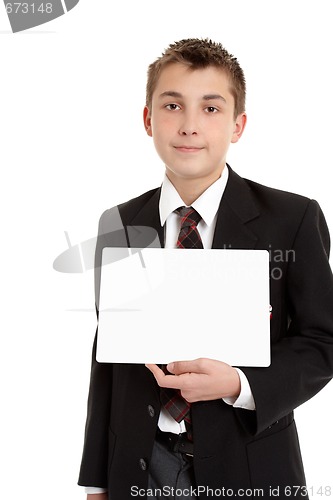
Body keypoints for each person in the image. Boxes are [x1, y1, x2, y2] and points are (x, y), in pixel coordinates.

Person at [78, 38, 333, 499]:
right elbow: (108, 357)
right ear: (148, 119)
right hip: (139, 466)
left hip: (251, 463)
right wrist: (96, 481)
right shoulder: (118, 224)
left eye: (211, 109)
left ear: (238, 126)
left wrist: (241, 383)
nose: (190, 125)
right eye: (173, 105)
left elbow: (323, 339)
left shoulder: (292, 219)